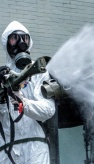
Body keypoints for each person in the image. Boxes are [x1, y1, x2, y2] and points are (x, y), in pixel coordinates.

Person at [0, 21, 55, 164]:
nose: (21, 44)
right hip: (6, 151)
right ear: (7, 43)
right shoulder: (3, 78)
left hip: (35, 149)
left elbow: (48, 110)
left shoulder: (38, 73)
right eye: (14, 39)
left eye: (25, 39)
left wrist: (23, 104)